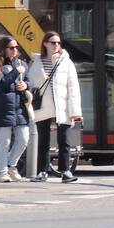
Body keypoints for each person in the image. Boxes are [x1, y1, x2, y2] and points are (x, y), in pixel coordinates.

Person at [28, 31, 83, 183]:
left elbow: (73, 87)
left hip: (62, 105)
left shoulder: (66, 62)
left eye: (58, 43)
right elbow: (31, 84)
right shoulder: (37, 62)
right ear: (45, 43)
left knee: (64, 140)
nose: (56, 45)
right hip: (43, 105)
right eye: (53, 42)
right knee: (43, 141)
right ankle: (42, 172)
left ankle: (65, 171)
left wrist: (75, 111)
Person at [0, 35, 31, 181]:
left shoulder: (22, 64)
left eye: (16, 47)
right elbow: (1, 85)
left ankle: (11, 165)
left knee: (23, 138)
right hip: (3, 107)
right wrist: (16, 72)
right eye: (12, 48)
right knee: (4, 141)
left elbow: (29, 82)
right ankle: (2, 171)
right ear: (4, 49)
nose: (15, 50)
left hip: (20, 107)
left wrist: (26, 85)